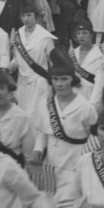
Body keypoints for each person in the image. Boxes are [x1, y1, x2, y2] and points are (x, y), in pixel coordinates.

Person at [32, 46, 98, 193]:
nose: (59, 84)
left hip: (75, 164)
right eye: (55, 79)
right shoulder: (45, 104)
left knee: (71, 205)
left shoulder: (85, 107)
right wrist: (37, 150)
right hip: (51, 164)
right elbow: (41, 132)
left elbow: (94, 139)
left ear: (72, 80)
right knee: (50, 202)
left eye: (64, 79)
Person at [9, 0, 55, 119]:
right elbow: (17, 58)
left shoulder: (44, 36)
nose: (26, 19)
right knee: (22, 116)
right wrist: (11, 65)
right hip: (22, 83)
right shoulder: (18, 34)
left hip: (39, 82)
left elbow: (53, 62)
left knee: (37, 118)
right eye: (23, 16)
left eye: (29, 15)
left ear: (35, 16)